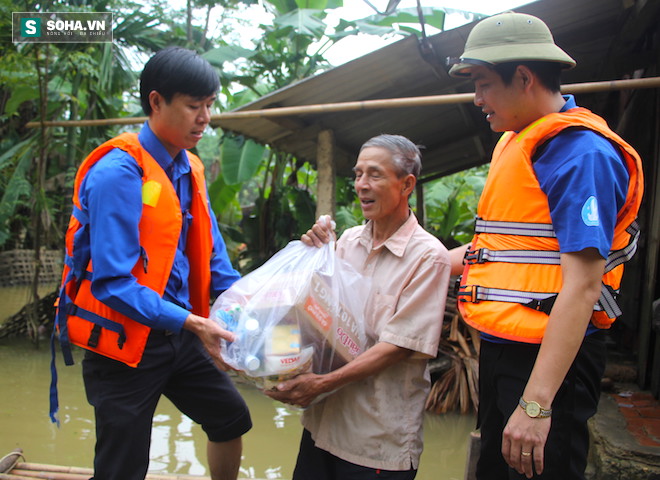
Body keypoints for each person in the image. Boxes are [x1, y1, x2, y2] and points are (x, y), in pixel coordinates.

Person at [446, 12, 644, 480]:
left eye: (482, 84)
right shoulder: (518, 142)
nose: (476, 100)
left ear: (523, 77)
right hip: (504, 349)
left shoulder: (581, 153)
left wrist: (536, 406)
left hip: (548, 364)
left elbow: (582, 285)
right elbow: (494, 250)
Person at [52, 46, 252, 480]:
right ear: (157, 102)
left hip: (178, 335)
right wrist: (195, 324)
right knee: (123, 464)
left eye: (210, 106)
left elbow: (216, 262)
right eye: (194, 106)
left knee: (231, 418)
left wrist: (262, 301)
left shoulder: (190, 168)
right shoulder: (117, 175)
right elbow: (112, 283)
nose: (206, 118)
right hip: (124, 344)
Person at [266, 134, 451, 480]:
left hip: (375, 440)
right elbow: (318, 316)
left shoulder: (427, 257)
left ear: (407, 184)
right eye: (358, 174)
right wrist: (313, 258)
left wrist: (320, 384)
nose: (361, 185)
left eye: (375, 175)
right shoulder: (348, 241)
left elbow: (395, 349)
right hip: (322, 426)